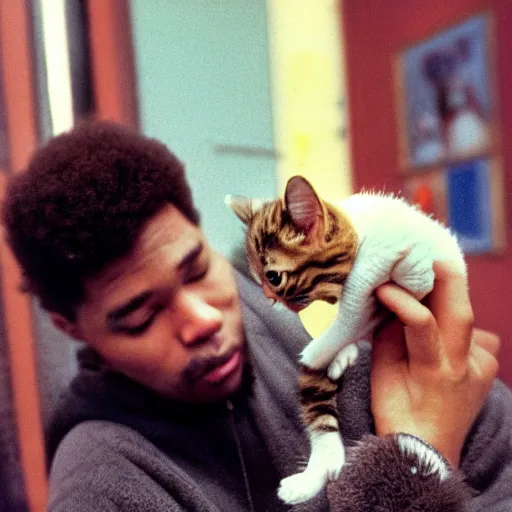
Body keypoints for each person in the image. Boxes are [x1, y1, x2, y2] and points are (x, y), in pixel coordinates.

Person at [2, 121, 511, 511]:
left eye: (198, 270)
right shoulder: (99, 486)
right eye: (140, 317)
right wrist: (419, 456)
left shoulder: (324, 320)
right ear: (72, 328)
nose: (201, 319)